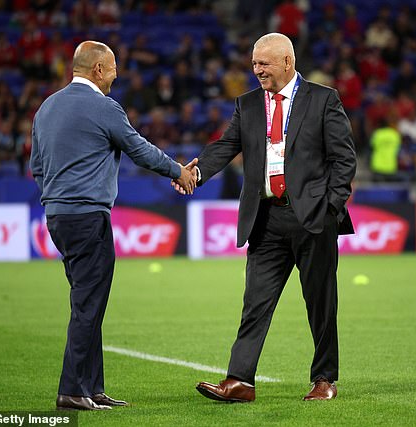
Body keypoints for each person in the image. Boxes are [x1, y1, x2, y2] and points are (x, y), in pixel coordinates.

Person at [173, 33, 356, 402]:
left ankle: (324, 379)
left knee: (320, 304)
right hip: (266, 219)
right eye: (254, 64)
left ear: (287, 62)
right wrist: (196, 173)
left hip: (312, 219)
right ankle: (240, 380)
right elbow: (227, 144)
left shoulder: (323, 99)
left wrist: (329, 209)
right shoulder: (248, 104)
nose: (256, 70)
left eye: (264, 64)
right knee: (255, 303)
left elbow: (344, 159)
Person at [30, 40, 196, 411]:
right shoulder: (103, 107)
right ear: (98, 70)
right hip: (89, 217)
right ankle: (72, 390)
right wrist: (178, 171)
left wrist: (56, 198)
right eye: (114, 67)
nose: (117, 75)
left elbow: (37, 167)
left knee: (88, 302)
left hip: (58, 218)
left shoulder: (46, 108)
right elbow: (139, 149)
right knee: (88, 305)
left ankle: (92, 386)